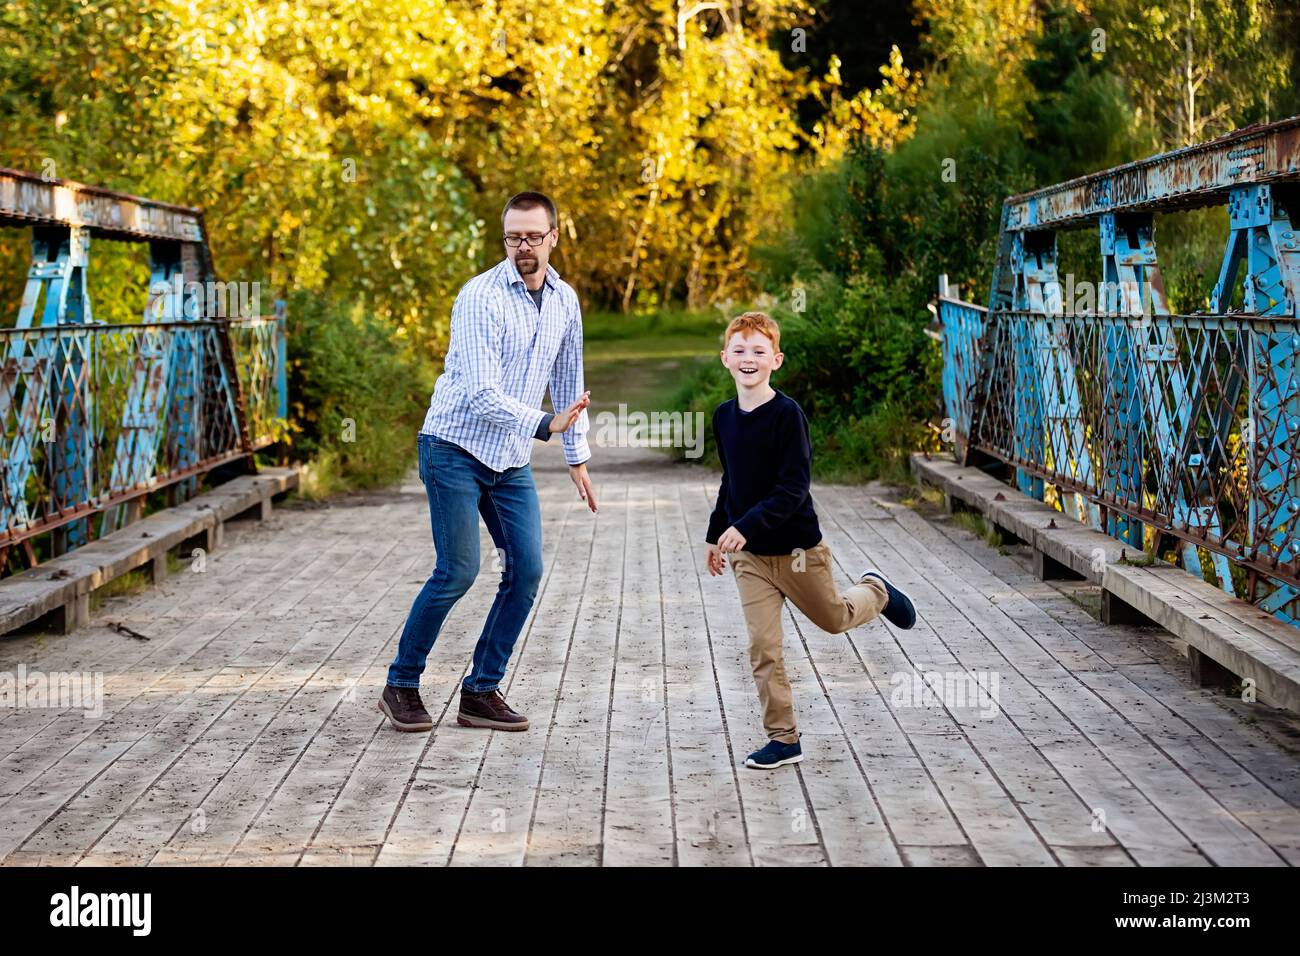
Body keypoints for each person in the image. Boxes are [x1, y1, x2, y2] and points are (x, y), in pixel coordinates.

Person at [379, 190, 597, 734]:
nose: (522, 247)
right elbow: (479, 394)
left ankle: (480, 691)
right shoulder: (480, 297)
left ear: (553, 237)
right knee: (458, 570)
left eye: (532, 236)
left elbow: (569, 379)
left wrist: (577, 457)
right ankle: (401, 684)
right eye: (513, 237)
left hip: (507, 457)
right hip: (452, 447)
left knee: (526, 569)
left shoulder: (565, 301)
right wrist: (546, 425)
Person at [704, 311, 917, 769]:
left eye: (758, 351)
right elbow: (731, 481)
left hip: (799, 551)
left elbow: (793, 488)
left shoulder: (787, 415)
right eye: (739, 350)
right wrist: (714, 535)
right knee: (764, 648)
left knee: (835, 620)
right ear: (725, 358)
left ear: (775, 360)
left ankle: (876, 591)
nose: (748, 358)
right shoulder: (723, 417)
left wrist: (745, 525)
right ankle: (784, 739)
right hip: (752, 559)